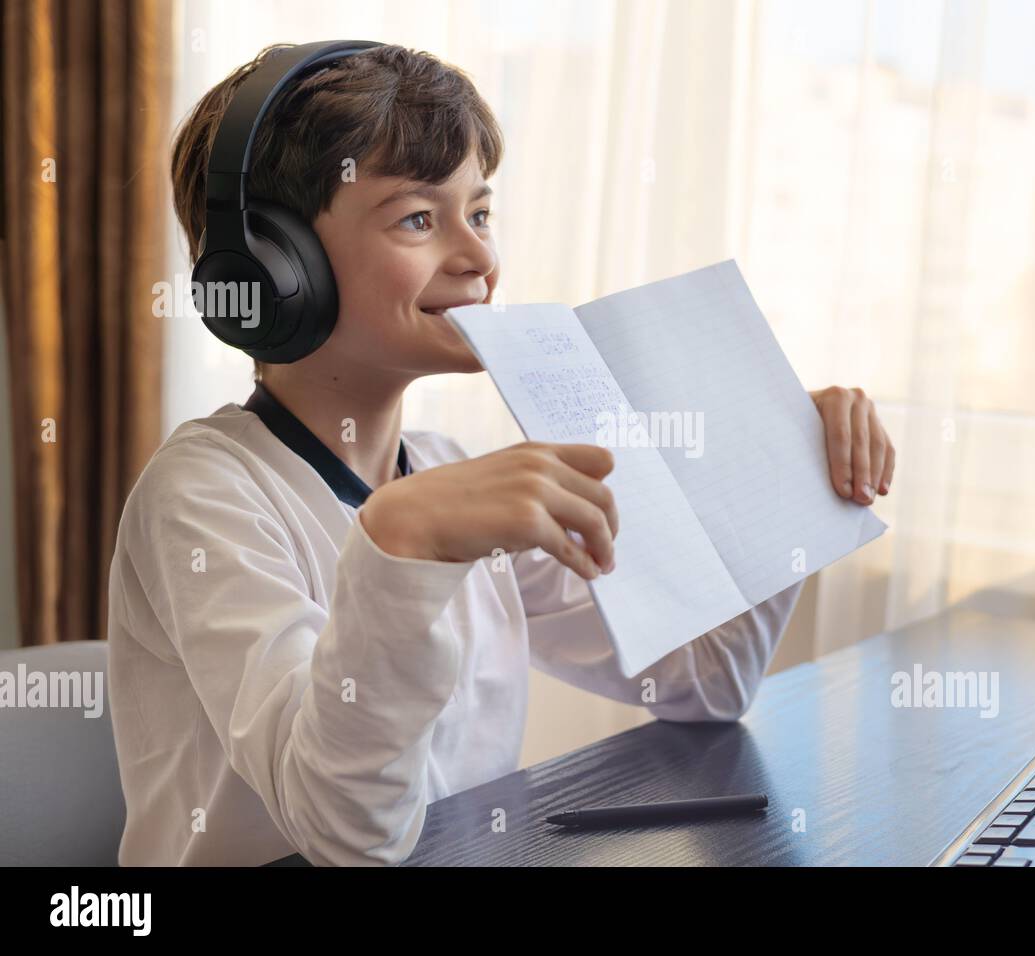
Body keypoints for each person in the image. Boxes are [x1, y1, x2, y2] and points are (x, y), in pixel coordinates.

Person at [107, 43, 896, 866]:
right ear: (277, 270)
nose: (481, 258)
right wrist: (400, 546)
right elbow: (343, 831)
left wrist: (779, 470)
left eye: (479, 214)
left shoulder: (449, 472)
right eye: (418, 217)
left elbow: (704, 684)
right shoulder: (204, 495)